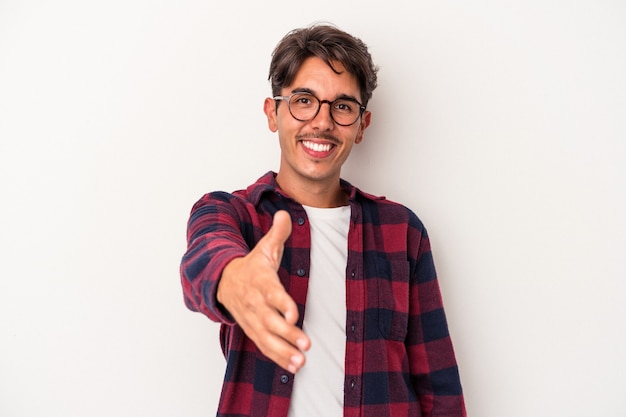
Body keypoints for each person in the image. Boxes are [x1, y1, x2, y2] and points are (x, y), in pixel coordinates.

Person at [180, 24, 466, 417]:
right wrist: (232, 279)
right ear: (273, 113)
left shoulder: (403, 232)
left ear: (362, 126)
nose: (322, 122)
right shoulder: (232, 213)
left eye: (343, 106)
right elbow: (204, 258)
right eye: (303, 100)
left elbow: (440, 390)